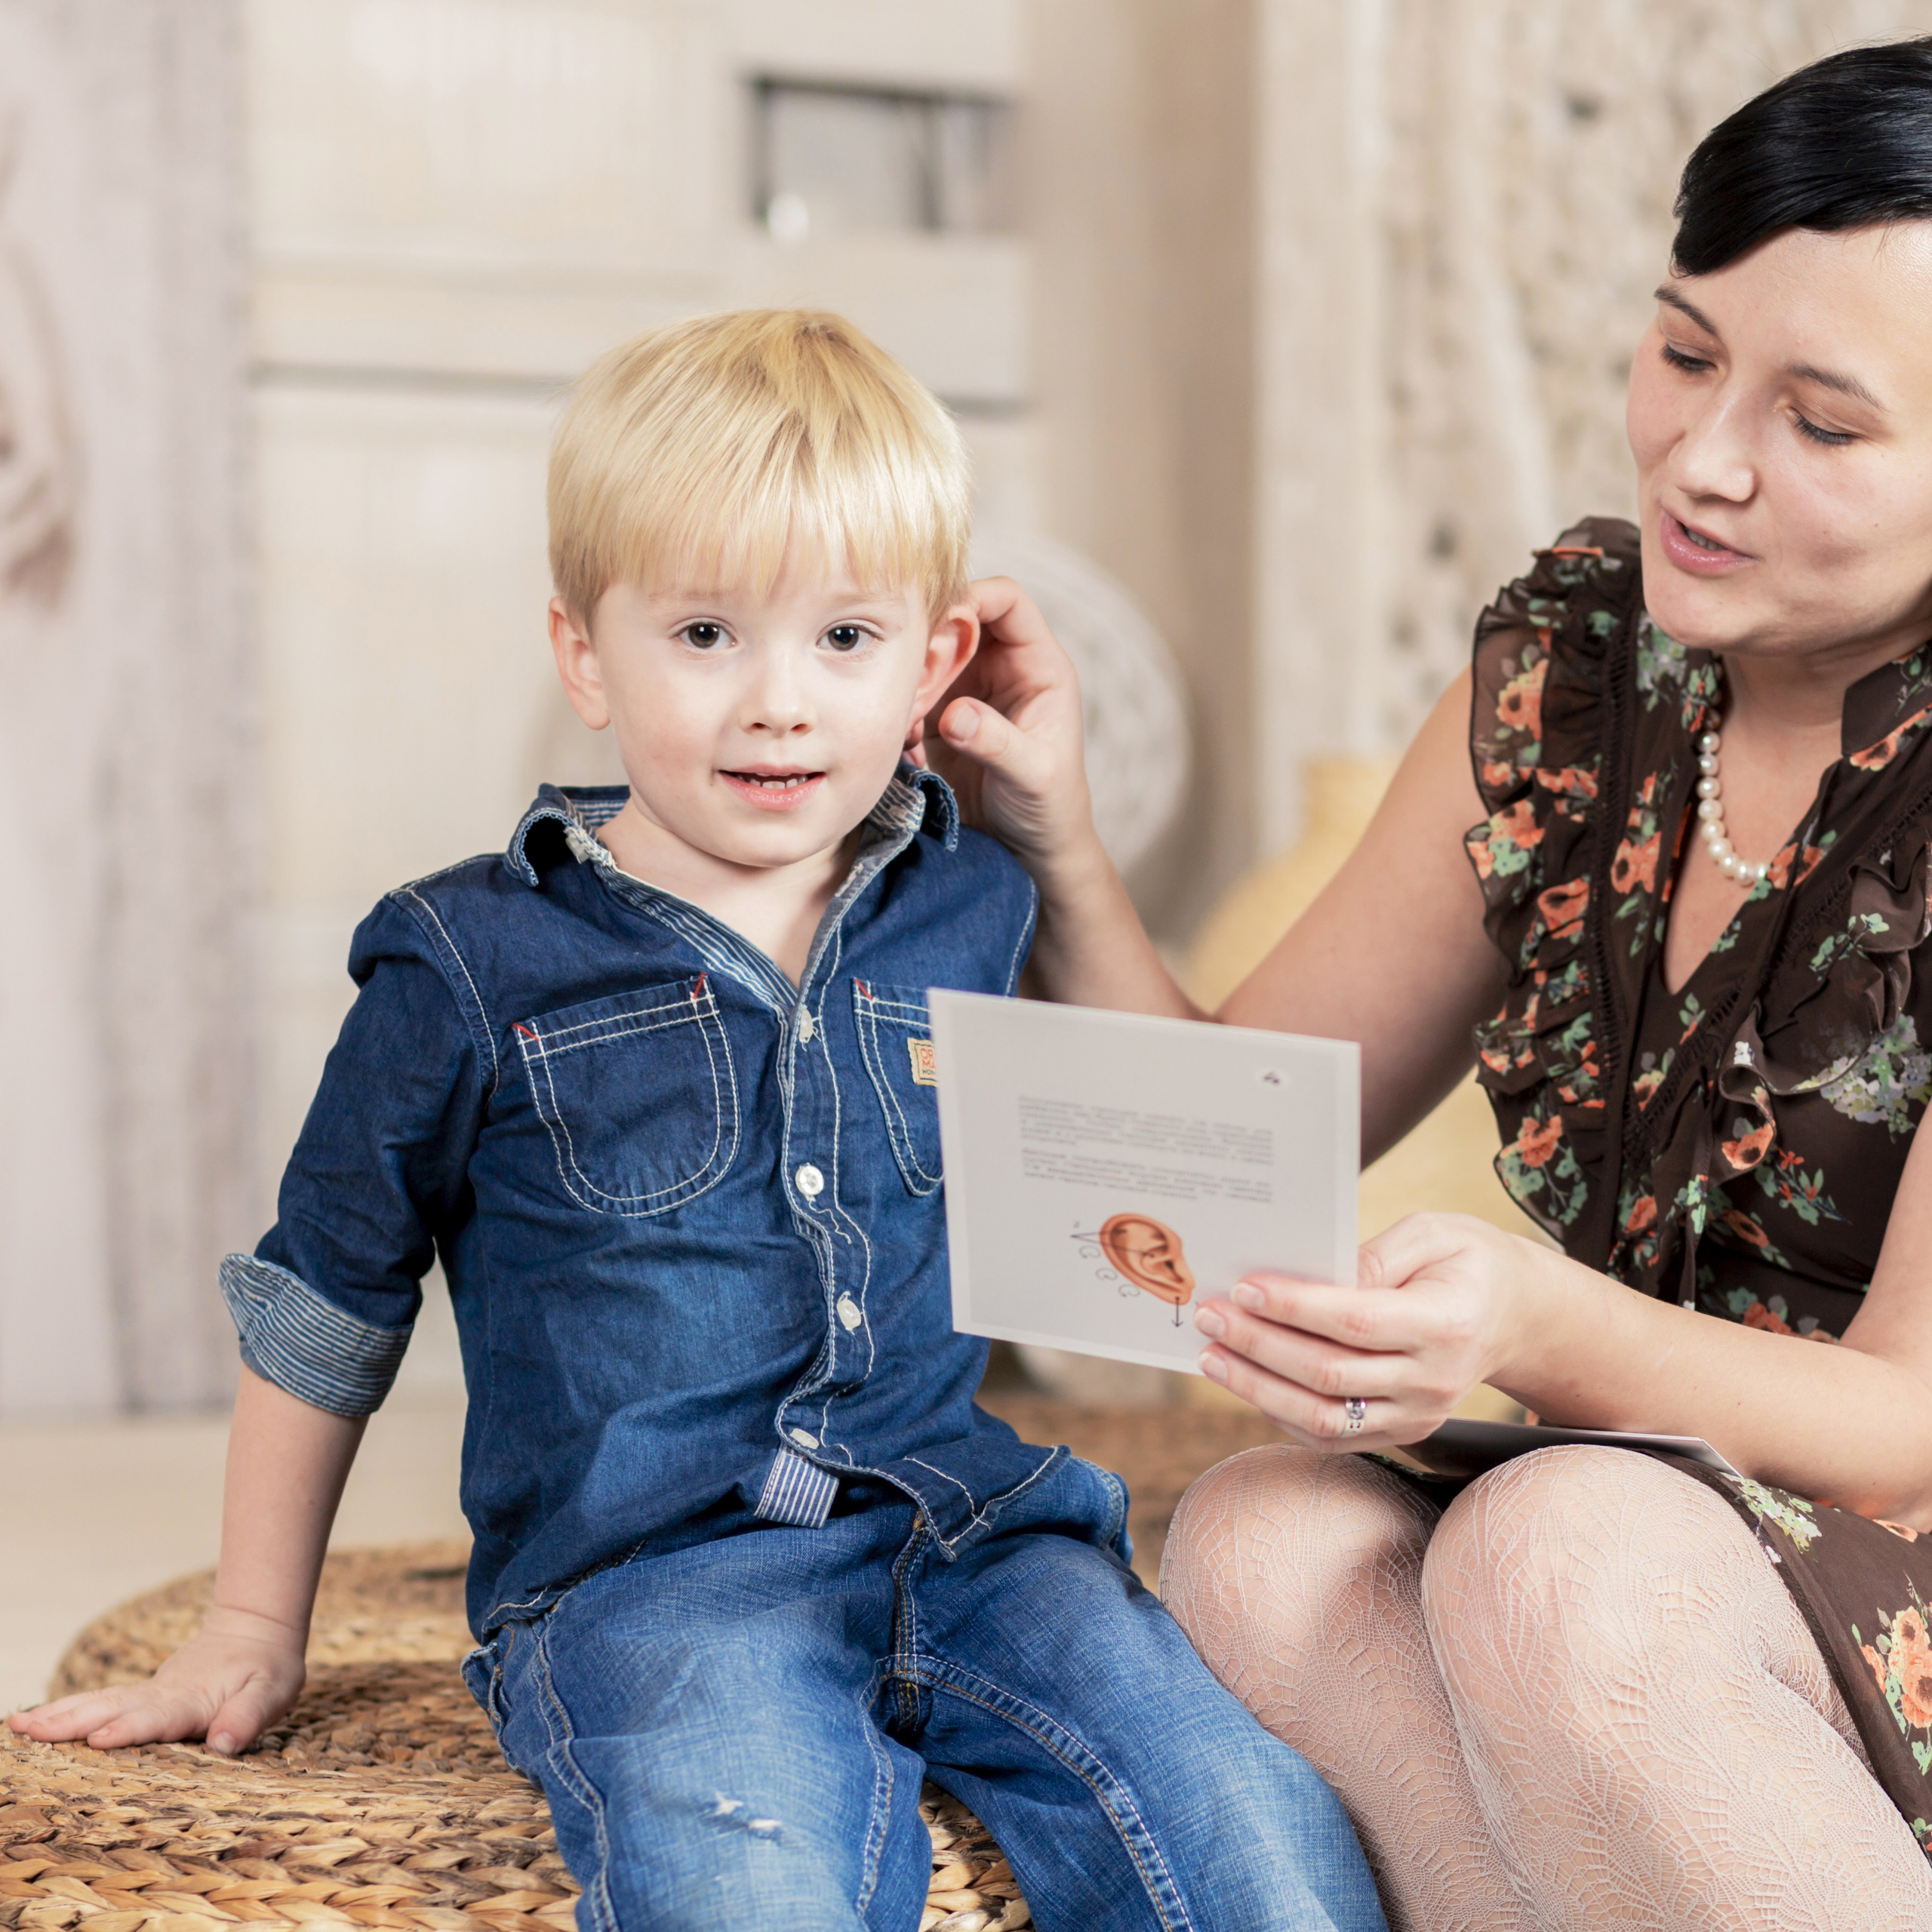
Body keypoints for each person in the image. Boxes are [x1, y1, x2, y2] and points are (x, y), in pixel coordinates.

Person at [8, 312, 1384, 1932]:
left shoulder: (973, 896)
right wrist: (253, 1615)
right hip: (657, 1584)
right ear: (583, 651)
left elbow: (1152, 1105)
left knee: (1249, 1822)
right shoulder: (467, 957)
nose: (780, 704)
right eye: (708, 633)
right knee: (739, 1876)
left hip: (983, 1537)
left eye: (847, 640)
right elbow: (326, 1299)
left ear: (937, 660)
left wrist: (1060, 831)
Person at [924, 39, 1932, 1932]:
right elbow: (1225, 1130)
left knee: (1551, 1546)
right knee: (1260, 1536)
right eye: (1687, 350)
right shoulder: (1570, 678)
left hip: (1843, 1528)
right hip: (1656, 1520)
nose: (1703, 460)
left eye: (1825, 421)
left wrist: (1530, 1324)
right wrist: (1051, 836)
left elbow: (1903, 1416)